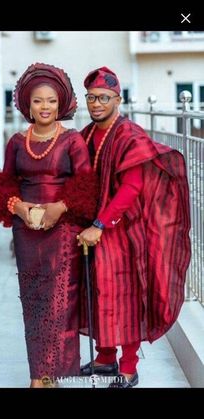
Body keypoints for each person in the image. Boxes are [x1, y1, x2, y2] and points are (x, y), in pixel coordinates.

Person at [77, 66, 191, 388]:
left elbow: (132, 187)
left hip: (122, 231)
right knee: (98, 294)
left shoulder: (130, 135)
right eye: (91, 97)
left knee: (124, 298)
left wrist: (100, 224)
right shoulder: (86, 134)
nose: (96, 103)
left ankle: (128, 368)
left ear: (118, 98)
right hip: (92, 228)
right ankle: (104, 358)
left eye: (103, 97)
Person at [0, 63, 98, 388]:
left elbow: (87, 184)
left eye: (51, 100)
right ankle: (39, 375)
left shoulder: (73, 140)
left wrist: (60, 207)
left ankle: (52, 373)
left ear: (61, 103)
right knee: (34, 302)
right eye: (38, 101)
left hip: (62, 230)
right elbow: (4, 184)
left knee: (59, 301)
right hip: (26, 231)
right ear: (27, 104)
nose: (45, 107)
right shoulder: (17, 142)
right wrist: (19, 207)